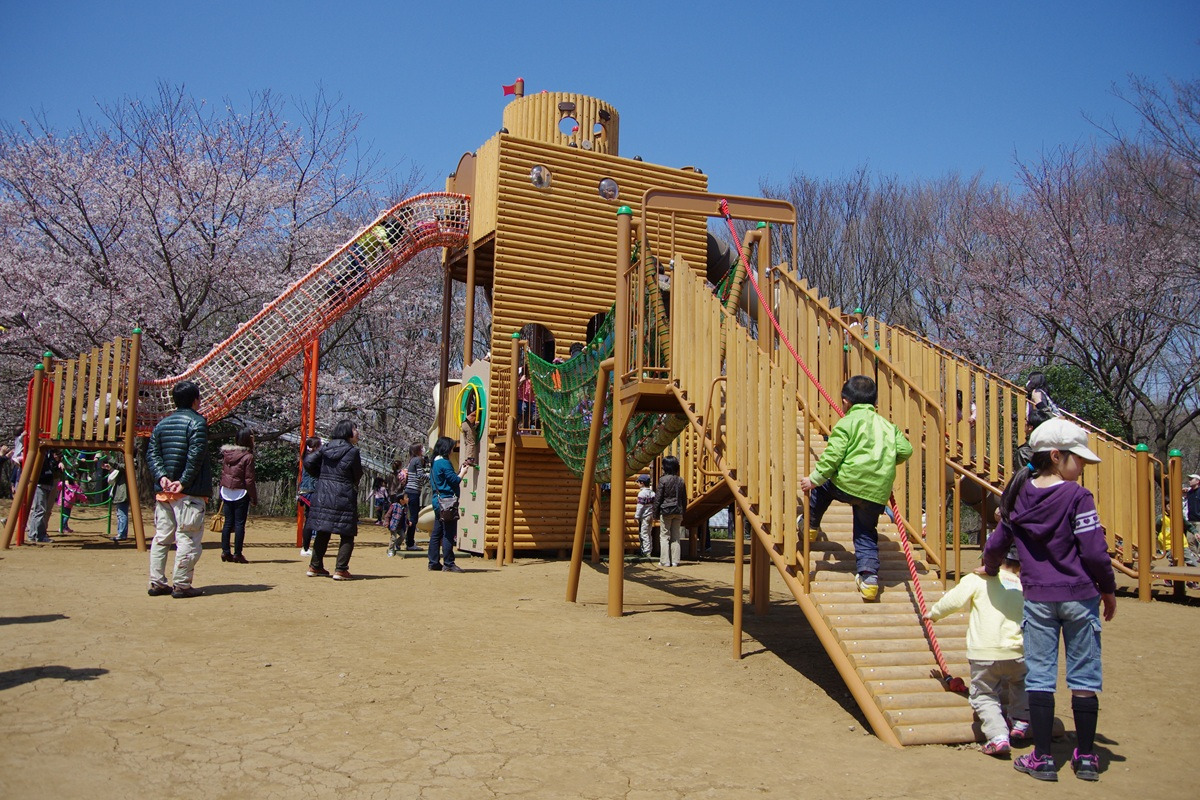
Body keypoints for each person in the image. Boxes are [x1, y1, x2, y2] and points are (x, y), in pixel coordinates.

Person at [981, 418, 1116, 783]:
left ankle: (1041, 758)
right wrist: (1107, 587)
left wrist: (990, 569)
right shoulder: (1077, 497)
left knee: (1040, 676)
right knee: (1084, 676)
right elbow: (1094, 550)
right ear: (1056, 456)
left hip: (1039, 598)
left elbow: (996, 544)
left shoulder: (1018, 497)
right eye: (1079, 460)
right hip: (1080, 595)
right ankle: (1086, 757)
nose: (1083, 467)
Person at [799, 375, 913, 601]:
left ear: (845, 402)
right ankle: (869, 580)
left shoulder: (846, 423)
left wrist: (814, 478)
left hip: (847, 483)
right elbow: (906, 450)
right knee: (866, 532)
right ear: (874, 403)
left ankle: (810, 525)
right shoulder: (888, 426)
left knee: (823, 488)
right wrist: (886, 461)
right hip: (876, 492)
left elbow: (833, 456)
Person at [925, 547, 1030, 757]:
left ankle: (998, 736)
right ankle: (1020, 721)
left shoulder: (978, 579)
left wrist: (934, 613)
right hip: (1018, 650)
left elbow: (954, 600)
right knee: (1020, 684)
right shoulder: (1022, 584)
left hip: (984, 651)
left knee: (984, 694)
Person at [146, 380, 212, 599]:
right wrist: (183, 482)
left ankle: (157, 581)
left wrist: (162, 477)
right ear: (196, 400)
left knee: (161, 537)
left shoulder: (161, 425)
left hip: (164, 491)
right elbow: (196, 455)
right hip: (189, 492)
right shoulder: (198, 423)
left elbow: (152, 454)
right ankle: (182, 584)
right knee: (187, 538)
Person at [304, 420, 363, 581]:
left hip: (323, 493)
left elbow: (308, 461)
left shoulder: (326, 447)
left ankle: (315, 566)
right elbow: (358, 474)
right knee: (347, 532)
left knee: (323, 528)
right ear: (347, 432)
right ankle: (341, 569)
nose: (357, 432)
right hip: (343, 494)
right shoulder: (352, 451)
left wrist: (321, 476)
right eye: (355, 429)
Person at [428, 435, 468, 572]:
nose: (452, 450)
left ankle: (433, 562)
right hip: (447, 502)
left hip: (437, 500)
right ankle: (449, 563)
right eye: (451, 447)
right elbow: (455, 481)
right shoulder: (444, 462)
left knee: (437, 532)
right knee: (448, 533)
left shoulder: (434, 462)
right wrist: (463, 472)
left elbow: (445, 479)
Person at [218, 427, 258, 564]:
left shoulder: (227, 453)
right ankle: (237, 553)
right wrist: (253, 497)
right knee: (239, 523)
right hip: (241, 491)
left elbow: (224, 473)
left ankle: (225, 551)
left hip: (226, 490)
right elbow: (249, 479)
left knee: (228, 522)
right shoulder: (248, 456)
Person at [654, 456, 686, 568]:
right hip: (678, 510)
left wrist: (655, 513)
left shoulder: (663, 480)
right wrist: (683, 511)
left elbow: (658, 498)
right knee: (676, 536)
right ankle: (675, 561)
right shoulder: (681, 480)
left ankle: (665, 560)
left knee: (664, 535)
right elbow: (684, 498)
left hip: (666, 510)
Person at [24, 450, 61, 544]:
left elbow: (53, 468)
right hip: (40, 484)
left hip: (47, 484)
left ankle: (33, 534)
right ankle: (39, 535)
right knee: (39, 510)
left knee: (40, 510)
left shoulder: (49, 455)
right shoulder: (39, 453)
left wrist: (56, 461)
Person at [297, 436, 320, 557]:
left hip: (305, 490)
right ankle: (305, 548)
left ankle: (306, 547)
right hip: (311, 491)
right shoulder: (313, 459)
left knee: (310, 519)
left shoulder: (306, 456)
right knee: (311, 520)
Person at [401, 443, 426, 552]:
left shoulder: (411, 460)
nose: (423, 449)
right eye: (422, 448)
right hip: (414, 491)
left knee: (411, 516)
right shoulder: (417, 460)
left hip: (409, 491)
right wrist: (431, 476)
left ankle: (407, 540)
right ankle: (410, 542)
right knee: (413, 518)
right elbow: (420, 476)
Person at [102, 455, 130, 543]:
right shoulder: (125, 465)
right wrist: (110, 467)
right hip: (120, 492)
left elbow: (120, 467)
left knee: (122, 514)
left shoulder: (131, 462)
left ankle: (122, 534)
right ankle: (121, 533)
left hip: (122, 493)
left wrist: (109, 457)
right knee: (120, 514)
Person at [634, 473, 656, 561]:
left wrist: (636, 516)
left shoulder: (641, 494)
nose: (638, 484)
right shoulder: (653, 493)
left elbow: (640, 506)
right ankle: (650, 549)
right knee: (649, 533)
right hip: (651, 515)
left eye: (638, 482)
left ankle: (645, 551)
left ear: (642, 483)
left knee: (643, 533)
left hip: (644, 516)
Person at [386, 492, 408, 557]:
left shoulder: (405, 507)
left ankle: (397, 544)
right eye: (406, 498)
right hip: (393, 525)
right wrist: (387, 522)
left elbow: (405, 517)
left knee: (403, 536)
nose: (408, 499)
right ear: (401, 500)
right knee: (393, 538)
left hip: (400, 527)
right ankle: (391, 550)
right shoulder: (394, 505)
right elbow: (388, 515)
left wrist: (408, 522)